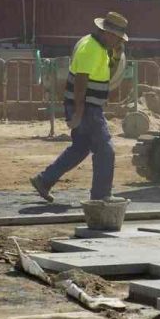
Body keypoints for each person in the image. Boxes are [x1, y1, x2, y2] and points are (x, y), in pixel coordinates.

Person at [30, 12, 128, 202]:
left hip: (87, 106)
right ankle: (101, 195)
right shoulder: (91, 49)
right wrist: (78, 112)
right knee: (105, 150)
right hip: (87, 107)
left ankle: (44, 180)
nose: (118, 43)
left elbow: (108, 74)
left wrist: (116, 57)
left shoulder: (98, 47)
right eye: (117, 39)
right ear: (108, 33)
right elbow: (80, 83)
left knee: (80, 148)